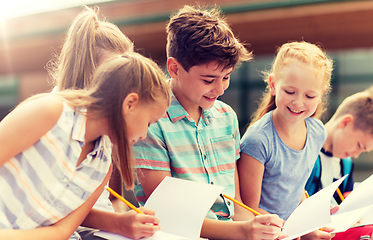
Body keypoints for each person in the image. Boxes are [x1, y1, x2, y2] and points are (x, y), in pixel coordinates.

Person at [133, 5, 284, 240]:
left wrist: (262, 228)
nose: (221, 88)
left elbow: (238, 207)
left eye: (227, 77)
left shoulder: (226, 117)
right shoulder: (151, 122)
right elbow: (166, 215)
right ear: (174, 68)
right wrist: (242, 232)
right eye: (208, 79)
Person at [0, 53, 170, 240]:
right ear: (130, 103)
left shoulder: (103, 166)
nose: (145, 134)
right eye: (149, 122)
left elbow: (61, 231)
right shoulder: (51, 112)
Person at [47, 7, 154, 239]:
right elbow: (56, 210)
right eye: (114, 73)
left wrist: (122, 222)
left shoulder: (106, 135)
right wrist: (118, 222)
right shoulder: (50, 117)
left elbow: (84, 209)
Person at [237, 41, 334, 239]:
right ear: (273, 85)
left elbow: (296, 190)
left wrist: (309, 227)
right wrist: (292, 230)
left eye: (309, 95)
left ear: (321, 95)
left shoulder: (317, 132)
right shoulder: (258, 140)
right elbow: (248, 209)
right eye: (290, 92)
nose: (298, 102)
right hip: (265, 234)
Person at [305, 86, 373, 240]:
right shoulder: (304, 151)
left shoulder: (346, 164)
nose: (356, 154)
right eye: (359, 145)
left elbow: (346, 204)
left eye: (363, 151)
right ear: (346, 122)